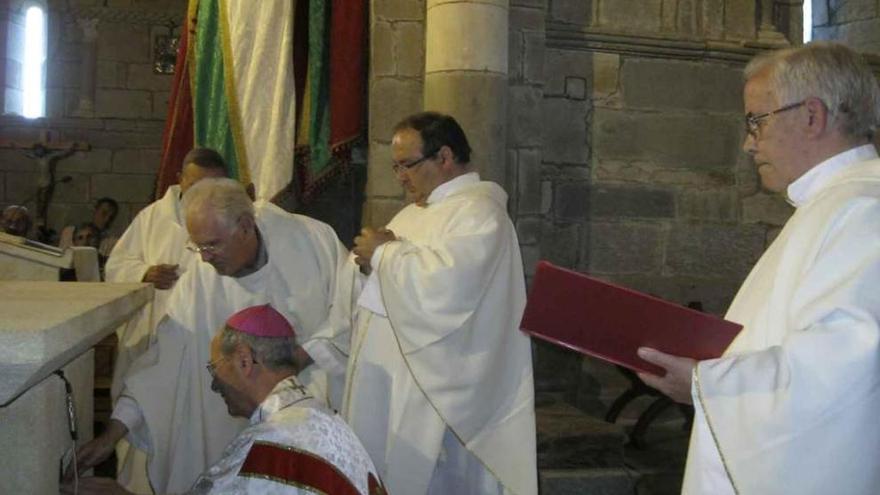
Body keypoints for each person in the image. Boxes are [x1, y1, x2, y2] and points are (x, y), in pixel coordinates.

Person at [636, 42, 880, 494]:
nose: (749, 144)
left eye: (756, 121)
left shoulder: (863, 210)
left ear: (811, 116)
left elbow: (843, 370)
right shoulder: (831, 205)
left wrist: (702, 383)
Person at [71, 178, 358, 494]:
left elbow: (349, 319)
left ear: (246, 226)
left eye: (212, 245)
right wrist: (112, 434)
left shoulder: (312, 243)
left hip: (304, 419)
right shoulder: (202, 279)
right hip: (218, 426)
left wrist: (300, 358)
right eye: (197, 246)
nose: (204, 257)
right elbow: (165, 360)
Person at [346, 111, 537, 495]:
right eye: (396, 166)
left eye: (407, 165)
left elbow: (447, 289)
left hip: (438, 398)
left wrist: (384, 255)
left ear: (445, 157)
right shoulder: (416, 213)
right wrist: (364, 264)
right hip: (393, 386)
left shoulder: (480, 214)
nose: (400, 177)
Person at [64, 305, 382, 495]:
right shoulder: (318, 416)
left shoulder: (275, 442)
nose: (214, 384)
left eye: (215, 367)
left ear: (244, 361)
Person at [103, 148, 228, 492]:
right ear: (179, 181)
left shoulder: (225, 220)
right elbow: (115, 267)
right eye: (195, 185)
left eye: (212, 185)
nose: (202, 194)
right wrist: (144, 272)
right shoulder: (152, 218)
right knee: (143, 409)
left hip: (203, 343)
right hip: (151, 339)